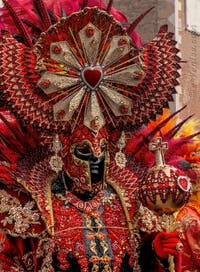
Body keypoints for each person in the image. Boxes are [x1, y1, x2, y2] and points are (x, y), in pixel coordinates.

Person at [0, 0, 197, 271]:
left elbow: (143, 260)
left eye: (101, 152)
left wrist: (157, 251)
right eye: (84, 152)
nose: (95, 162)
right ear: (61, 150)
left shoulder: (129, 200)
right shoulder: (31, 205)